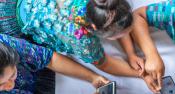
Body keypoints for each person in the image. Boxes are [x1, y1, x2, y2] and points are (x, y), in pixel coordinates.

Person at [0, 0, 156, 86]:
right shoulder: (81, 40)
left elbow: (114, 17)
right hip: (12, 21)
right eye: (120, 35)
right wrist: (142, 74)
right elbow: (104, 64)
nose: (129, 35)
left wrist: (131, 53)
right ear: (95, 29)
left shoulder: (103, 5)